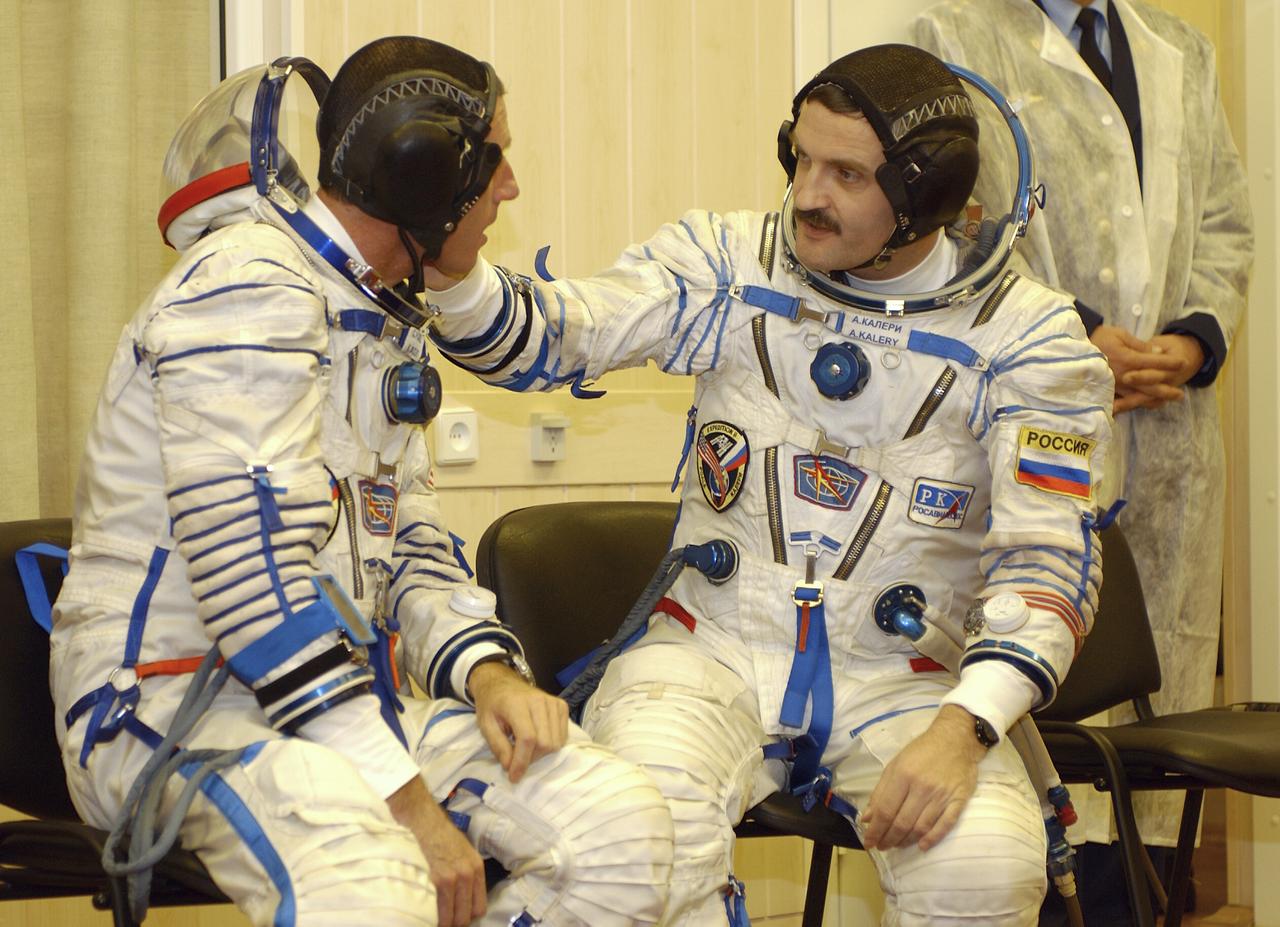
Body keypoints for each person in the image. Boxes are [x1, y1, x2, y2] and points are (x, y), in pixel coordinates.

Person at [420, 43, 1114, 925]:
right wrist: (451, 268)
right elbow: (555, 334)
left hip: (908, 679)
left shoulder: (1029, 340)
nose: (808, 194)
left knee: (983, 865)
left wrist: (962, 728)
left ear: (924, 195)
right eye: (801, 157)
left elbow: (1047, 570)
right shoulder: (728, 266)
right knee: (645, 838)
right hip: (707, 650)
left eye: (847, 174)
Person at [50, 35, 673, 927]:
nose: (510, 188)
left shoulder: (378, 317)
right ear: (423, 178)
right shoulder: (242, 291)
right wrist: (410, 802)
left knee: (617, 823)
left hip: (328, 706)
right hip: (173, 706)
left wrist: (490, 675)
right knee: (367, 872)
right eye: (494, 160)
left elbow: (410, 549)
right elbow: (252, 585)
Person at [912, 3, 1253, 921]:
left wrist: (1193, 339)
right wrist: (1072, 334)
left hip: (1169, 426)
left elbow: (1224, 218)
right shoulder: (952, 37)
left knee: (1158, 711)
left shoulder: (1179, 50)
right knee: (1039, 692)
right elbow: (956, 227)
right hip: (1035, 404)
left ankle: (1139, 901)